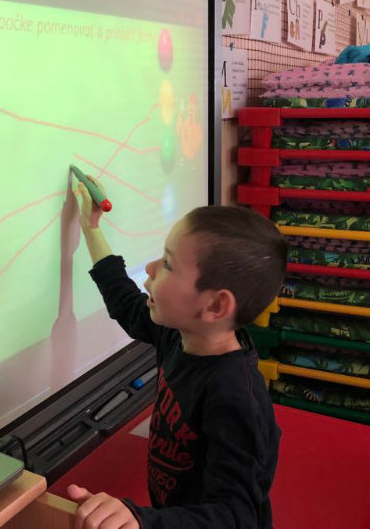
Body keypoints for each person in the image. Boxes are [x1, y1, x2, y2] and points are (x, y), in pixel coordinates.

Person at [67, 177, 287, 529]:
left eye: (168, 264)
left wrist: (142, 521)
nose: (150, 268)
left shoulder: (236, 399)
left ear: (215, 305)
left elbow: (236, 516)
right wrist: (91, 227)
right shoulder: (181, 335)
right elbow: (124, 300)